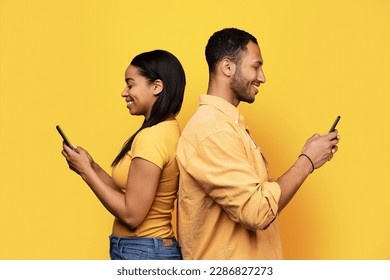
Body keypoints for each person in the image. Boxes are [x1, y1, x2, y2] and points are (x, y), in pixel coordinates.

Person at [176, 28, 340, 259]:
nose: (262, 77)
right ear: (227, 67)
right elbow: (257, 210)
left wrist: (308, 157)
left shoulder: (227, 124)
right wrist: (307, 161)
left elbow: (252, 194)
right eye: (255, 66)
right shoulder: (212, 130)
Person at [61, 50, 186, 260]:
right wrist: (92, 166)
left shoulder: (152, 138)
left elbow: (131, 215)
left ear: (156, 87)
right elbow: (129, 195)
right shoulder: (167, 130)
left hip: (143, 252)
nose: (124, 92)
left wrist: (86, 173)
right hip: (144, 250)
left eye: (130, 84)